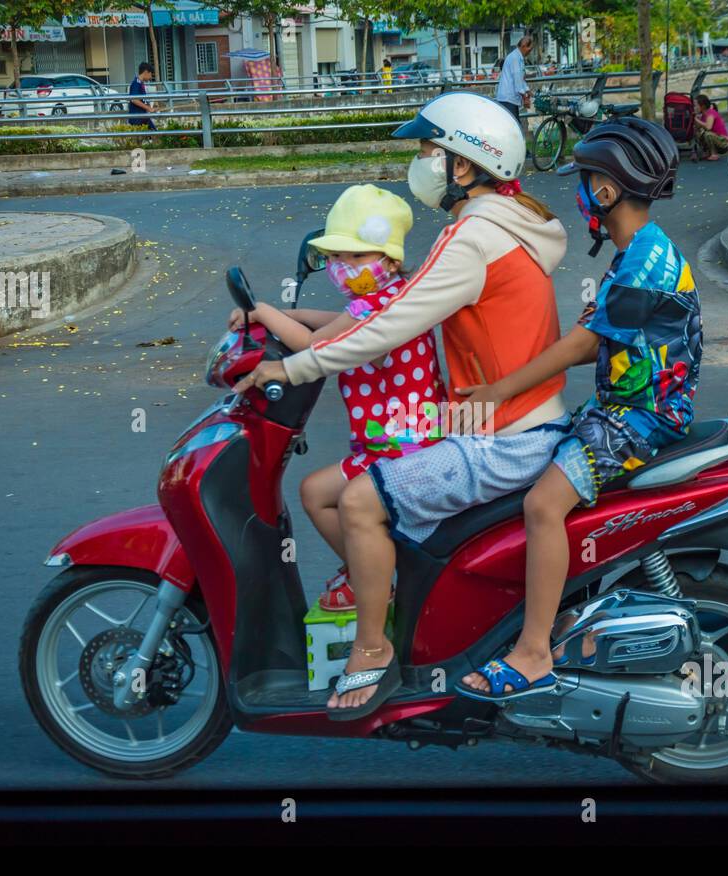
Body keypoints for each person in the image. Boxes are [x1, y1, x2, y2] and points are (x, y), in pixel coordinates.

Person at [234, 92, 570, 720]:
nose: (421, 163)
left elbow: (385, 325)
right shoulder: (503, 223)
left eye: (427, 151)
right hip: (497, 418)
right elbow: (391, 306)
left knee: (359, 499)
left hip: (502, 434)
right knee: (324, 490)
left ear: (463, 165)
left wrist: (293, 365)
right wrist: (285, 324)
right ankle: (396, 588)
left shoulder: (475, 236)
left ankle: (371, 647)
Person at [454, 118, 700, 700]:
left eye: (585, 181)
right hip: (625, 406)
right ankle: (570, 621)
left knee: (543, 504)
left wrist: (500, 389)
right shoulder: (643, 250)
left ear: (608, 191)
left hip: (640, 420)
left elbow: (584, 343)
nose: (580, 192)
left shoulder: (643, 263)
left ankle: (534, 653)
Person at [229, 185, 445, 611]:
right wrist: (287, 315)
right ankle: (370, 569)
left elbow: (317, 345)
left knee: (315, 493)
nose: (344, 267)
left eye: (358, 257)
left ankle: (372, 575)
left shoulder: (378, 308)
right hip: (406, 440)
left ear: (391, 260)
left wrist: (263, 311)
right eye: (336, 257)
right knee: (320, 492)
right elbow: (338, 323)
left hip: (399, 450)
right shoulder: (393, 297)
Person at [496, 34, 534, 129]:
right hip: (507, 99)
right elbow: (518, 81)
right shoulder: (515, 58)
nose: (530, 50)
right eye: (530, 48)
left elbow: (521, 79)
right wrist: (525, 98)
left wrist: (528, 91)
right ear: (524, 46)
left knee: (514, 126)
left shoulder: (518, 58)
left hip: (510, 99)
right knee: (514, 127)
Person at [693, 94, 728, 160]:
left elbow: (708, 127)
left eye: (695, 106)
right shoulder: (702, 116)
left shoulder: (711, 113)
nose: (694, 108)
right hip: (717, 140)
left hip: (724, 142)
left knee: (707, 134)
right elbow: (697, 129)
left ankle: (714, 154)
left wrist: (696, 120)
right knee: (698, 133)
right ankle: (708, 153)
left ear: (703, 106)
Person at [128, 62, 156, 130]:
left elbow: (142, 100)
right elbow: (134, 99)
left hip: (143, 117)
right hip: (137, 118)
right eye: (150, 74)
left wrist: (150, 107)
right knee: (154, 134)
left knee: (154, 134)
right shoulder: (136, 83)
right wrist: (148, 108)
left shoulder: (140, 83)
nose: (151, 77)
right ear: (146, 72)